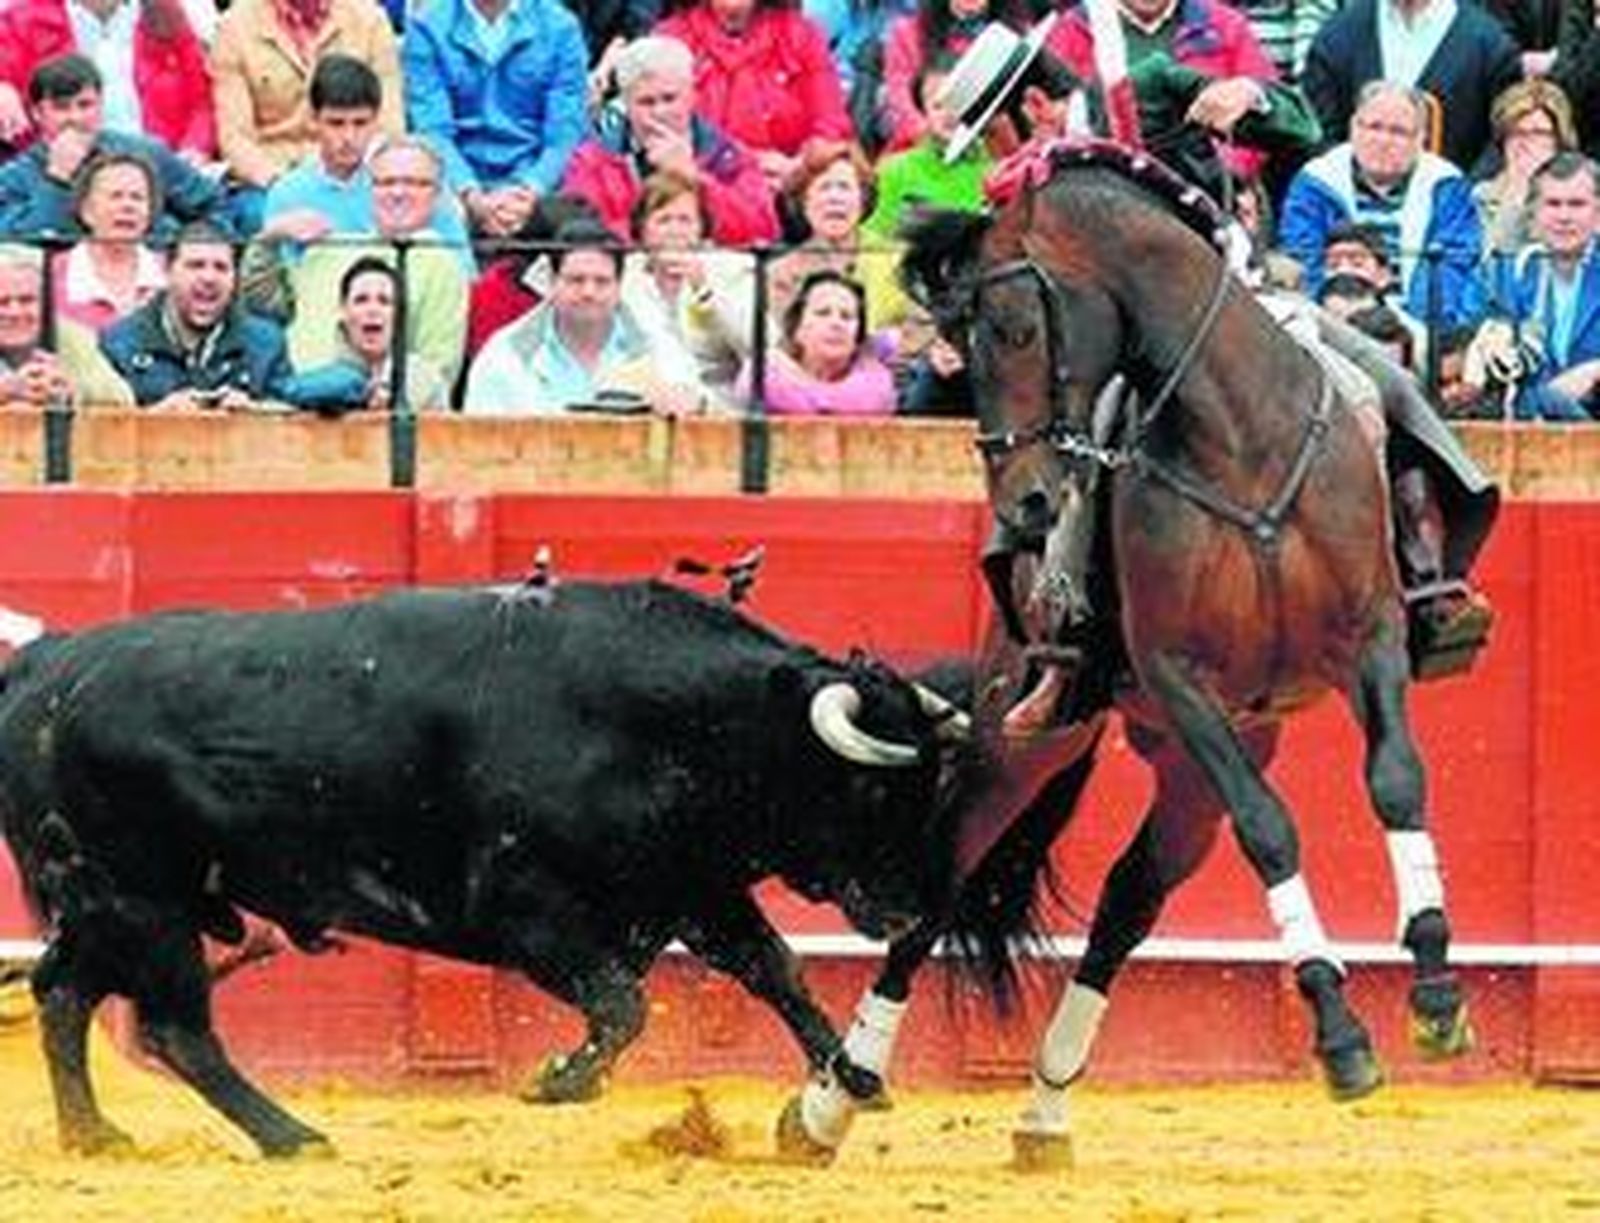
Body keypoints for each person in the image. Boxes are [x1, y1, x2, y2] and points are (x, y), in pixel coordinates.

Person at [939, 17, 1497, 673]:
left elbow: (1302, 123)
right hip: (1117, 354)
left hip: (1234, 306)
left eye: (991, 133)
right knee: (1053, 445)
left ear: (1033, 104)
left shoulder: (1143, 89)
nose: (990, 153)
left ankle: (1426, 581)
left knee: (1380, 379)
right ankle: (1070, 647)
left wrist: (1250, 97)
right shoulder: (1020, 196)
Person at [1279, 80, 1487, 331]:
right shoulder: (1315, 182)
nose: (1383, 140)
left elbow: (1453, 268)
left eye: (1398, 132)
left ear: (1421, 138)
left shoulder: (1446, 186)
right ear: (1353, 128)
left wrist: (1418, 331)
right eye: (1373, 127)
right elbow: (1303, 261)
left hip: (1418, 328)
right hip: (1331, 325)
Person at [100, 221, 365, 411]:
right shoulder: (119, 342)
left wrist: (258, 413)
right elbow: (102, 433)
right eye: (195, 265)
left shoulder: (266, 343)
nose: (209, 277)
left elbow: (290, 413)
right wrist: (153, 418)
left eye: (221, 267)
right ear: (168, 272)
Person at [275, 136, 470, 388]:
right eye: (386, 182)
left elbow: (439, 368)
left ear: (437, 194)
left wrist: (375, 393)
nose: (398, 193)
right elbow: (261, 299)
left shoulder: (443, 264)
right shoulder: (327, 248)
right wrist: (272, 234)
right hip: (295, 396)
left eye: (414, 183)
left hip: (379, 404)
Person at [463, 217, 708, 415]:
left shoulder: (658, 344)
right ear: (551, 282)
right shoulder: (506, 352)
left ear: (619, 285)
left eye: (602, 281)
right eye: (575, 280)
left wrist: (690, 402)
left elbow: (697, 401)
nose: (588, 292)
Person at [256, 55, 472, 270]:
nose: (348, 137)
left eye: (360, 123)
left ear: (376, 119)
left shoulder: (416, 180)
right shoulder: (288, 193)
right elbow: (271, 280)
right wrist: (274, 232)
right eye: (336, 123)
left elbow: (463, 269)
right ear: (313, 120)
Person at [561, 34, 779, 246]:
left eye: (669, 98)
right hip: (627, 266)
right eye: (646, 102)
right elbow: (583, 234)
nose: (660, 112)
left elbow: (763, 229)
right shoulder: (593, 159)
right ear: (626, 104)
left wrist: (692, 175)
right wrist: (652, 234)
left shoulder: (728, 154)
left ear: (692, 94)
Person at [403, 0, 590, 238]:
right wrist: (470, 193)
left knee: (578, 224)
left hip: (540, 183)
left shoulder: (560, 26)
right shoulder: (427, 27)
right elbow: (433, 131)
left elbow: (564, 135)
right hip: (455, 183)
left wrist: (528, 190)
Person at [0, 55, 226, 240]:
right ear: (37, 113)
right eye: (61, 108)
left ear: (101, 105)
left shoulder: (146, 152)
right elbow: (19, 246)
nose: (75, 117)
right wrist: (56, 181)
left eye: (85, 105)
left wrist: (184, 247)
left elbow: (214, 205)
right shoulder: (14, 177)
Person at [211, 0, 404, 199]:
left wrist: (361, 179)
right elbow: (235, 139)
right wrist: (285, 186)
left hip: (358, 173)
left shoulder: (370, 19)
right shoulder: (235, 27)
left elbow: (389, 123)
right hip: (271, 178)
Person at [1301, 0, 1521, 173]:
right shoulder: (1338, 36)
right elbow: (1317, 132)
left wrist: (1460, 197)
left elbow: (1503, 140)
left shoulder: (1491, 46)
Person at [655, 0, 853, 188]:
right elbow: (661, 131)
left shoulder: (803, 34)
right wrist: (748, 164)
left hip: (790, 184)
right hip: (700, 185)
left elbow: (831, 124)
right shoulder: (669, 40)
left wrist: (799, 168)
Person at [0, 0, 216, 157]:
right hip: (64, 172)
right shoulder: (23, 19)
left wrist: (194, 150)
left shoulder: (167, 14)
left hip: (160, 170)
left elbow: (202, 101)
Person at [1480, 151, 1600, 420]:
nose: (1564, 217)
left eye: (1577, 204)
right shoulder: (1508, 271)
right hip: (1526, 419)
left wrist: (1595, 370)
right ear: (1533, 213)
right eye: (1553, 204)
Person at [622, 170, 751, 402]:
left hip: (719, 401)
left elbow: (759, 346)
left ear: (701, 228)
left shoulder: (733, 271)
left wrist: (705, 291)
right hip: (645, 397)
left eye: (685, 220)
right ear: (642, 229)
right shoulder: (624, 276)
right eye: (663, 220)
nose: (675, 231)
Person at [863, 55, 990, 241]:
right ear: (923, 112)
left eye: (958, 102)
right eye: (938, 106)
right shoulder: (896, 170)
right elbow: (874, 238)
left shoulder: (999, 167)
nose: (949, 114)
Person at [740, 267, 895, 414]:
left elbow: (865, 401)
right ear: (797, 327)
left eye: (847, 316)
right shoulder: (763, 372)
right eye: (822, 313)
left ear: (858, 336)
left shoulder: (876, 383)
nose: (836, 323)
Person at [0, 243, 134, 408]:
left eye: (27, 300)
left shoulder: (72, 335)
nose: (15, 312)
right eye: (2, 302)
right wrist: (4, 391)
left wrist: (71, 391)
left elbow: (123, 401)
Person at [54, 151, 168, 331]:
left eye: (137, 197)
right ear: (87, 211)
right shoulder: (50, 276)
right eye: (116, 196)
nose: (128, 206)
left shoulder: (173, 273)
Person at [325, 256, 450, 413]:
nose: (372, 310)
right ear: (343, 311)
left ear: (398, 314)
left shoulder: (426, 379)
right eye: (361, 300)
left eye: (384, 301)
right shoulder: (324, 385)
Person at [1474, 79, 1579, 261]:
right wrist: (1517, 193)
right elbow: (1489, 264)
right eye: (1515, 133)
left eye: (1539, 133)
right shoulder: (1481, 196)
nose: (1526, 144)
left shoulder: (1585, 194)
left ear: (1559, 140)